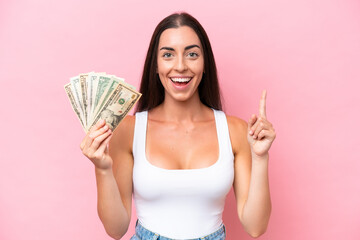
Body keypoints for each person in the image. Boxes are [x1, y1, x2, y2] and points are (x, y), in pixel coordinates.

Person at [80, 12, 276, 240]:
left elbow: (255, 227)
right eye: (168, 55)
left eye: (192, 54)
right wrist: (102, 168)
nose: (180, 66)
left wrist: (261, 158)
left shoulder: (235, 131)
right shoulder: (129, 130)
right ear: (156, 65)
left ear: (205, 65)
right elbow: (116, 229)